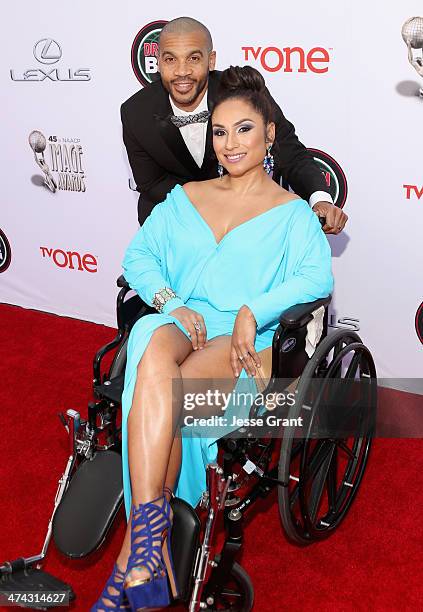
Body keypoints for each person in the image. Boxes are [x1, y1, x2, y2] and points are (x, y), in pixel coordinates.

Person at [92, 65, 333, 610]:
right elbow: (139, 258)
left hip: (245, 340)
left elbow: (316, 279)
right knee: (154, 336)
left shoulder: (294, 214)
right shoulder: (186, 196)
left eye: (244, 129)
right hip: (182, 321)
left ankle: (138, 552)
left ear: (270, 133)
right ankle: (148, 552)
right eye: (220, 133)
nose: (230, 144)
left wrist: (255, 308)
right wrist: (170, 301)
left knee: (161, 393)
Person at [121, 16, 348, 234]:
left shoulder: (241, 94)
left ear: (211, 60)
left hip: (242, 222)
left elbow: (289, 152)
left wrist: (320, 199)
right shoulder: (135, 112)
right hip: (172, 222)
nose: (182, 72)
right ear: (158, 62)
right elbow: (152, 184)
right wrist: (218, 204)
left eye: (193, 58)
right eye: (171, 59)